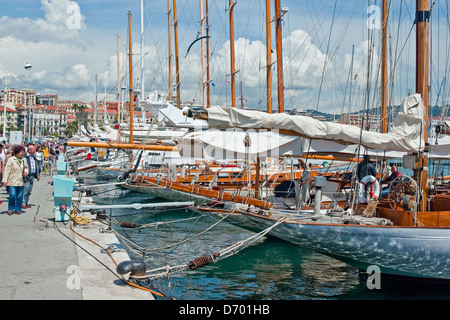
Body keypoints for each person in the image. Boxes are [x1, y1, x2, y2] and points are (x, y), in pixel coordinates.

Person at [2, 145, 29, 215]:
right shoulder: (11, 160)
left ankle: (18, 209)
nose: (22, 153)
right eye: (21, 151)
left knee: (20, 196)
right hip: (12, 181)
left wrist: (26, 172)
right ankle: (10, 208)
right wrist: (4, 180)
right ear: (17, 152)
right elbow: (7, 170)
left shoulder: (24, 159)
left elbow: (26, 167)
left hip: (21, 180)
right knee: (13, 195)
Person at [22, 144, 40, 209]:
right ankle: (23, 203)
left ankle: (26, 202)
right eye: (34, 150)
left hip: (32, 175)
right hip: (27, 175)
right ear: (29, 150)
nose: (35, 151)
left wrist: (37, 175)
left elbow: (36, 166)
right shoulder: (24, 156)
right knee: (26, 189)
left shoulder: (33, 157)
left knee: (29, 190)